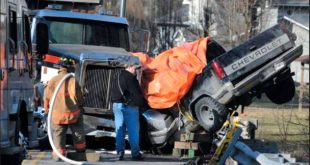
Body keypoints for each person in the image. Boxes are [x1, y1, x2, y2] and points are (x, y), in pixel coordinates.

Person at [44, 57, 86, 161]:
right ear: (69, 67)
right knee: (78, 132)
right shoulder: (73, 80)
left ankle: (58, 155)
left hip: (57, 115)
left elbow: (46, 97)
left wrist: (46, 110)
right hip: (73, 114)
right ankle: (80, 153)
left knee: (58, 134)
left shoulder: (53, 80)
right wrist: (81, 106)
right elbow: (79, 97)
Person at [111, 61, 148, 161]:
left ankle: (119, 153)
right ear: (130, 67)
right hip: (130, 107)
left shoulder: (117, 76)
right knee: (133, 132)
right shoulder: (131, 78)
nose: (136, 71)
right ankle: (135, 154)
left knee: (119, 130)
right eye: (135, 68)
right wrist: (143, 104)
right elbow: (137, 94)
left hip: (116, 106)